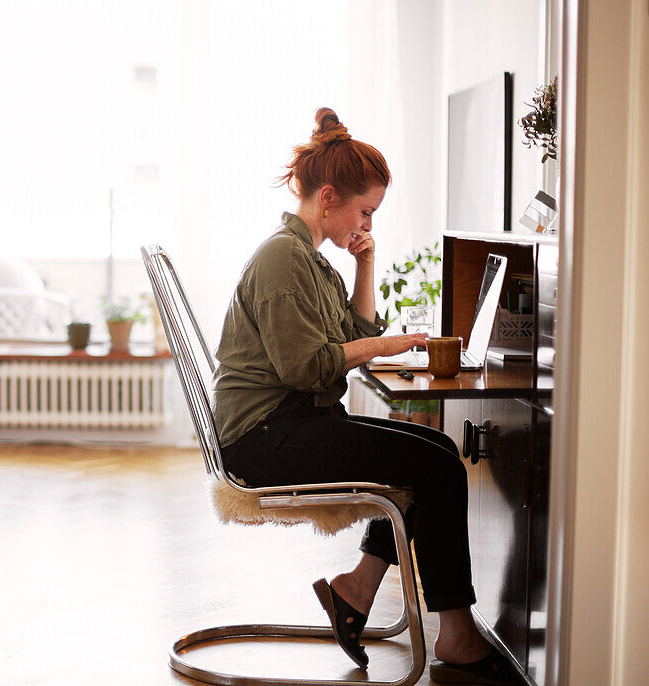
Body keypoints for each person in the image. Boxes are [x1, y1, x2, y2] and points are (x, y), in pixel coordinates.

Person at [211, 108, 517, 685]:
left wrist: (366, 262)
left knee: (432, 450)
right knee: (435, 464)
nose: (366, 221)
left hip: (289, 424)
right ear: (330, 197)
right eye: (365, 210)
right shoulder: (283, 258)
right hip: (265, 439)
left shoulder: (310, 259)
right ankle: (454, 631)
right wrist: (383, 345)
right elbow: (308, 367)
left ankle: (356, 591)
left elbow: (351, 334)